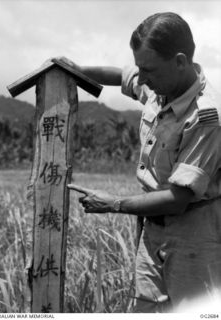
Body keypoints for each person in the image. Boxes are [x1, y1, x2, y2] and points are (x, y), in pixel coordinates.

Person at [63, 12, 221, 312]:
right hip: (152, 234)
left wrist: (114, 203)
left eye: (149, 70)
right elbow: (122, 76)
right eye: (140, 68)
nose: (142, 78)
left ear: (179, 61)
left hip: (195, 241)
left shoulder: (206, 117)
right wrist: (75, 71)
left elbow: (179, 198)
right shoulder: (159, 88)